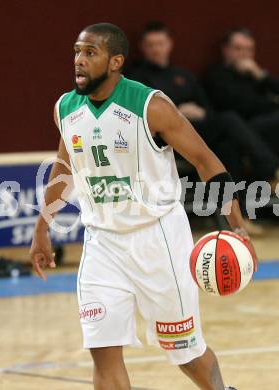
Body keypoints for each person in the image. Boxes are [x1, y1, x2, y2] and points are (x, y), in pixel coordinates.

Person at [30, 23, 251, 390]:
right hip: (102, 243)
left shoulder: (151, 106)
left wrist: (237, 227)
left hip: (159, 239)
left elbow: (207, 162)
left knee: (185, 352)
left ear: (116, 61)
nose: (79, 61)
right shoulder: (65, 108)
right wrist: (42, 227)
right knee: (103, 349)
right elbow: (65, 167)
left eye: (90, 53)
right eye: (76, 52)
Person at [129, 22, 279, 187]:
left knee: (227, 144)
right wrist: (176, 112)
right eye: (151, 45)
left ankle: (235, 206)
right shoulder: (136, 77)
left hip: (199, 129)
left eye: (160, 44)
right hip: (168, 135)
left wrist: (202, 112)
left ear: (169, 44)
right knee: (229, 119)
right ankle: (271, 169)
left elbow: (207, 107)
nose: (156, 49)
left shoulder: (183, 75)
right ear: (142, 47)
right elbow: (140, 113)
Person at [204, 27, 279, 156]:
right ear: (226, 49)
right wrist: (272, 102)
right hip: (240, 128)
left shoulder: (255, 75)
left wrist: (261, 75)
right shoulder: (217, 75)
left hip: (264, 122)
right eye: (238, 49)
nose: (244, 54)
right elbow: (240, 106)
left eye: (249, 49)